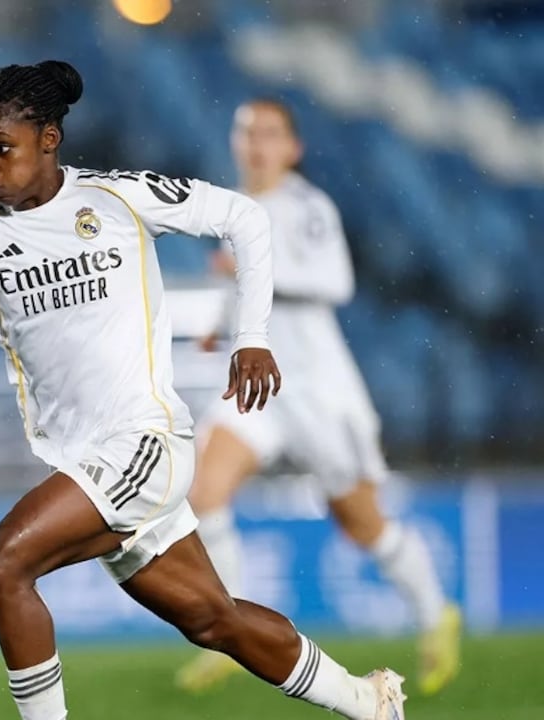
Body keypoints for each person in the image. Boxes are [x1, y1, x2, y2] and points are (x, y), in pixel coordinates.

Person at [0, 61, 406, 720]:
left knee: (0, 564)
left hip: (143, 443)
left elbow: (244, 218)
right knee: (212, 619)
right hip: (85, 463)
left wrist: (252, 336)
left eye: (4, 148)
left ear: (49, 139)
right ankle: (369, 702)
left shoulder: (117, 197)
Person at [174, 98, 461, 696]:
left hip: (318, 394)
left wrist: (248, 274)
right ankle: (229, 631)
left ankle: (437, 618)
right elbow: (246, 284)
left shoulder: (308, 208)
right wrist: (221, 319)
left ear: (293, 148)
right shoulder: (237, 205)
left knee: (364, 526)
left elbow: (337, 283)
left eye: (269, 134)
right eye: (247, 132)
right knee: (202, 489)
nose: (256, 144)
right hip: (260, 390)